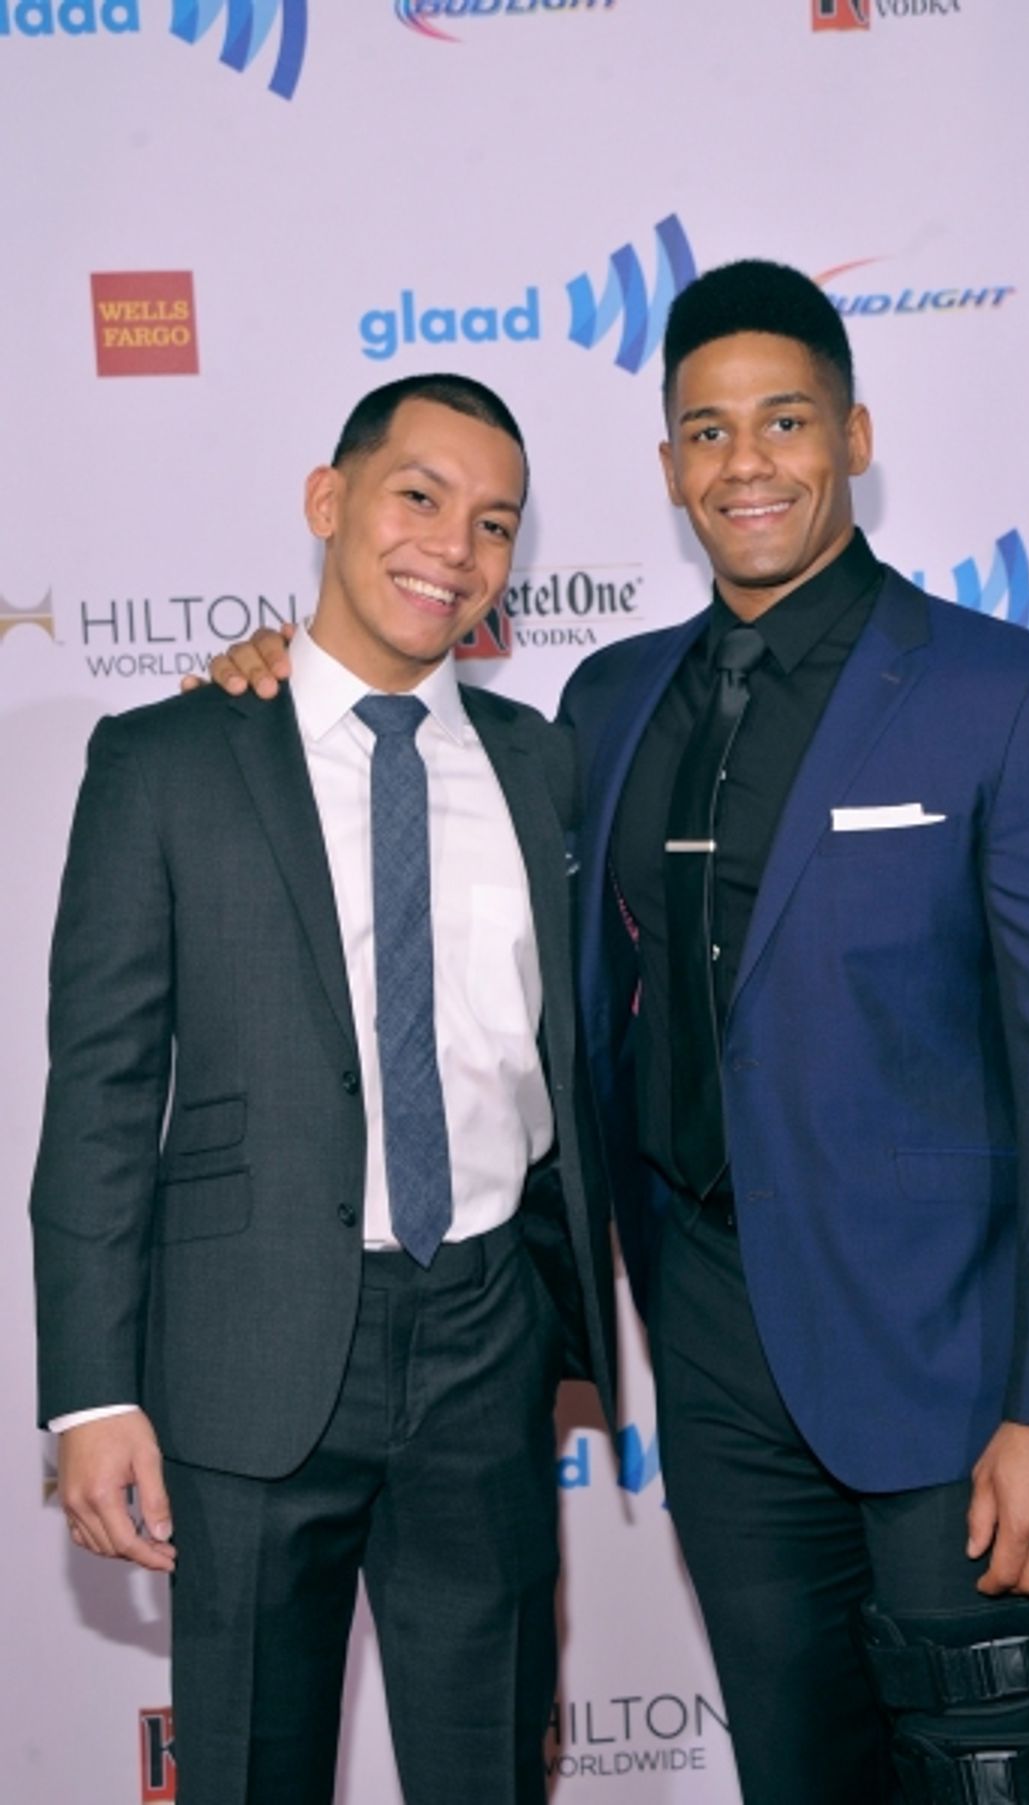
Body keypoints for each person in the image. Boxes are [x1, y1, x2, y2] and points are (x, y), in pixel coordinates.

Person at [206, 262, 1029, 1805]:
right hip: (713, 1369)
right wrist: (273, 672)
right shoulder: (606, 702)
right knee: (799, 1771)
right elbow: (407, 748)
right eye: (706, 433)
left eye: (784, 420)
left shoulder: (1014, 698)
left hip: (956, 1381)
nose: (747, 463)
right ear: (667, 468)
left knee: (1007, 1773)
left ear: (856, 435)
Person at [30, 373, 616, 1805]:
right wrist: (90, 1393)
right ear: (328, 500)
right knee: (245, 1774)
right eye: (419, 496)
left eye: (493, 522)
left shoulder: (547, 767)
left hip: (488, 1338)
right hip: (250, 1353)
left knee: (487, 1769)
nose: (453, 548)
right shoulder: (166, 756)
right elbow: (101, 1088)